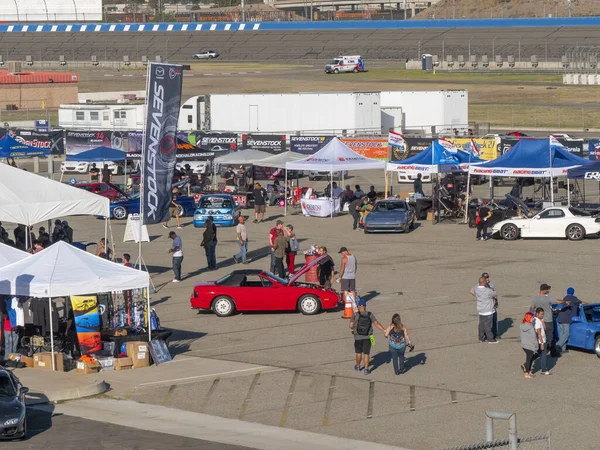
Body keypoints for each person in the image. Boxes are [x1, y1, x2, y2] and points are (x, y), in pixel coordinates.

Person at [349, 299, 386, 375]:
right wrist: (384, 330)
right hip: (368, 337)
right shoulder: (370, 314)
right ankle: (366, 369)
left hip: (358, 337)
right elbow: (376, 323)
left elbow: (351, 326)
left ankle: (358, 366)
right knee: (367, 353)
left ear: (359, 306)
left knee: (358, 352)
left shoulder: (355, 314)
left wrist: (353, 328)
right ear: (365, 306)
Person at [531, 283, 561, 357]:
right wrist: (564, 301)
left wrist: (538, 312)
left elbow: (532, 308)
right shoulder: (548, 298)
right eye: (547, 289)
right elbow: (557, 302)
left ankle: (539, 349)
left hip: (539, 320)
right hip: (548, 320)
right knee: (550, 336)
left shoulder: (535, 298)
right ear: (544, 290)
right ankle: (551, 352)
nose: (549, 290)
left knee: (540, 335)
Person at [556, 287, 584, 355]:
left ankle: (563, 349)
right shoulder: (574, 299)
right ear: (573, 292)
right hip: (566, 319)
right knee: (566, 334)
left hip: (560, 318)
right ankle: (557, 345)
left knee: (562, 334)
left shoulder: (565, 298)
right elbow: (581, 302)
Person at [470, 276, 497, 344]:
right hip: (488, 310)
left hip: (480, 309)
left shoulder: (477, 290)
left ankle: (481, 338)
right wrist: (488, 287)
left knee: (481, 325)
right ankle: (490, 339)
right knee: (488, 325)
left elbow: (472, 291)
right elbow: (494, 293)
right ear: (484, 282)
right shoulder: (487, 290)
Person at [520, 311, 538, 379]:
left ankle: (529, 371)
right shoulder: (530, 327)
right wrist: (536, 346)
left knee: (529, 358)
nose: (533, 319)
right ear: (529, 318)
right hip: (530, 346)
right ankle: (526, 373)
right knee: (529, 359)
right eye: (532, 317)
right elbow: (534, 338)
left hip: (524, 345)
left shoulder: (522, 325)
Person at [534, 307, 551, 375]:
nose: (542, 315)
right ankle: (544, 370)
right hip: (541, 341)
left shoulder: (540, 320)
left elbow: (545, 328)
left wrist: (543, 322)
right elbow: (539, 333)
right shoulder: (537, 322)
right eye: (541, 314)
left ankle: (526, 365)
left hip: (542, 340)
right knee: (544, 355)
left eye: (543, 314)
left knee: (538, 354)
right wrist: (542, 343)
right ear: (537, 314)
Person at [482, 272, 499, 339]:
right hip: (485, 306)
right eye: (485, 278)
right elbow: (472, 291)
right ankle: (484, 335)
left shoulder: (491, 284)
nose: (487, 279)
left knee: (494, 319)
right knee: (485, 321)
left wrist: (496, 302)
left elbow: (495, 293)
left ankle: (495, 334)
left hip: (492, 305)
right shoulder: (480, 285)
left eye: (487, 277)